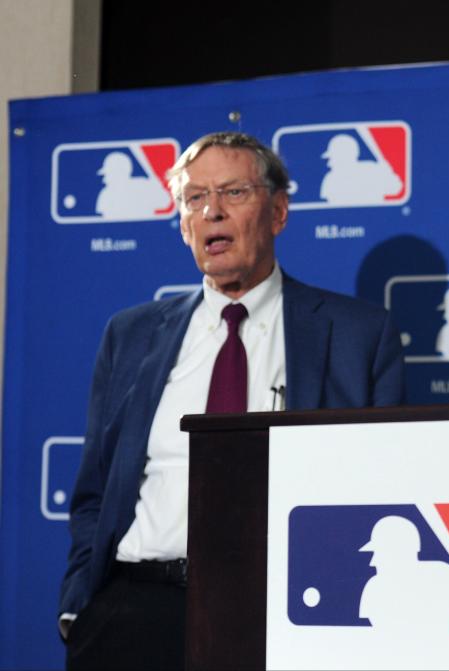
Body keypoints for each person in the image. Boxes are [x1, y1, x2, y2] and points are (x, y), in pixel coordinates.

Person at [60, 131, 405, 669]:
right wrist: (79, 604)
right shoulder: (130, 335)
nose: (212, 212)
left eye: (233, 193)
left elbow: (386, 484)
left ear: (279, 212)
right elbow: (94, 492)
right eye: (195, 198)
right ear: (182, 223)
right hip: (136, 611)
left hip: (280, 609)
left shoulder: (357, 334)